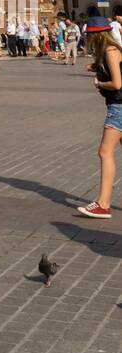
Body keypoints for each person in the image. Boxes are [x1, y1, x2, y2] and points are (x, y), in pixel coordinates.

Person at [77, 28, 122, 219]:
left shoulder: (110, 51)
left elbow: (117, 84)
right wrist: (95, 67)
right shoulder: (111, 50)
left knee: (105, 152)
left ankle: (103, 204)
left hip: (119, 107)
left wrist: (99, 83)